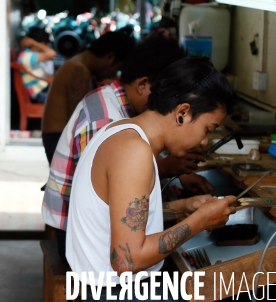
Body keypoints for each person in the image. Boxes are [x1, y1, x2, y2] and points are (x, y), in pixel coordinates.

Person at [66, 57, 237, 300]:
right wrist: (200, 220)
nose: (204, 142)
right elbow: (126, 260)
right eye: (208, 129)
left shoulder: (117, 130)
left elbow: (118, 215)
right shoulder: (134, 152)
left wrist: (181, 208)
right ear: (183, 113)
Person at [43, 37, 214, 261]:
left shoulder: (118, 107)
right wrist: (197, 218)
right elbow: (113, 211)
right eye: (169, 93)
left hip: (99, 232)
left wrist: (183, 207)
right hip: (80, 240)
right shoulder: (105, 120)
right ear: (143, 85)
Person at [41, 31, 136, 163]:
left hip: (58, 137)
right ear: (110, 57)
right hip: (58, 138)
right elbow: (82, 121)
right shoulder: (78, 70)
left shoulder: (79, 64)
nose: (113, 74)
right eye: (116, 68)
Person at [17, 27, 57, 103]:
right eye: (45, 44)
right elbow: (52, 53)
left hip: (44, 89)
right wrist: (34, 43)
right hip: (40, 94)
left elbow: (45, 76)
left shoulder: (31, 56)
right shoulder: (27, 57)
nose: (46, 47)